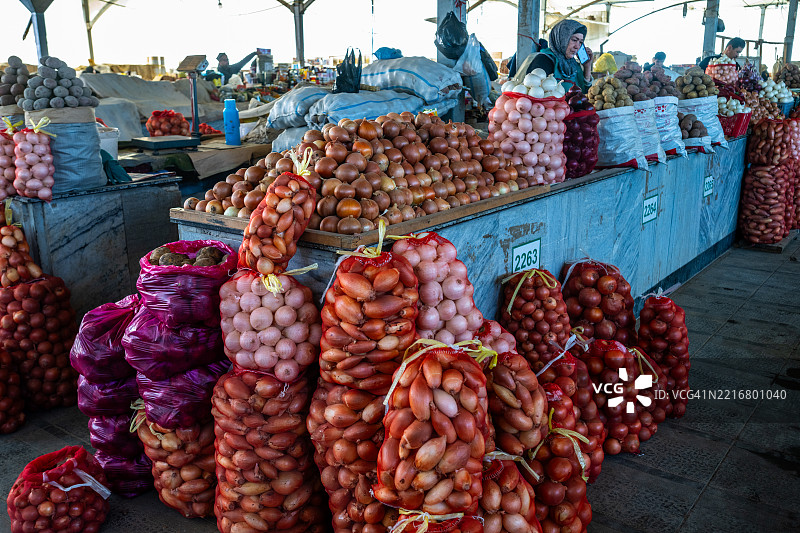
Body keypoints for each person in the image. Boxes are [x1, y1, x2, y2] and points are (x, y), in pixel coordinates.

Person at [524, 19, 593, 92]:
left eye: (581, 42)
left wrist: (587, 66)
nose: (577, 46)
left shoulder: (574, 66)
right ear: (562, 38)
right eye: (574, 40)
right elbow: (534, 92)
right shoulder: (544, 60)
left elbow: (586, 94)